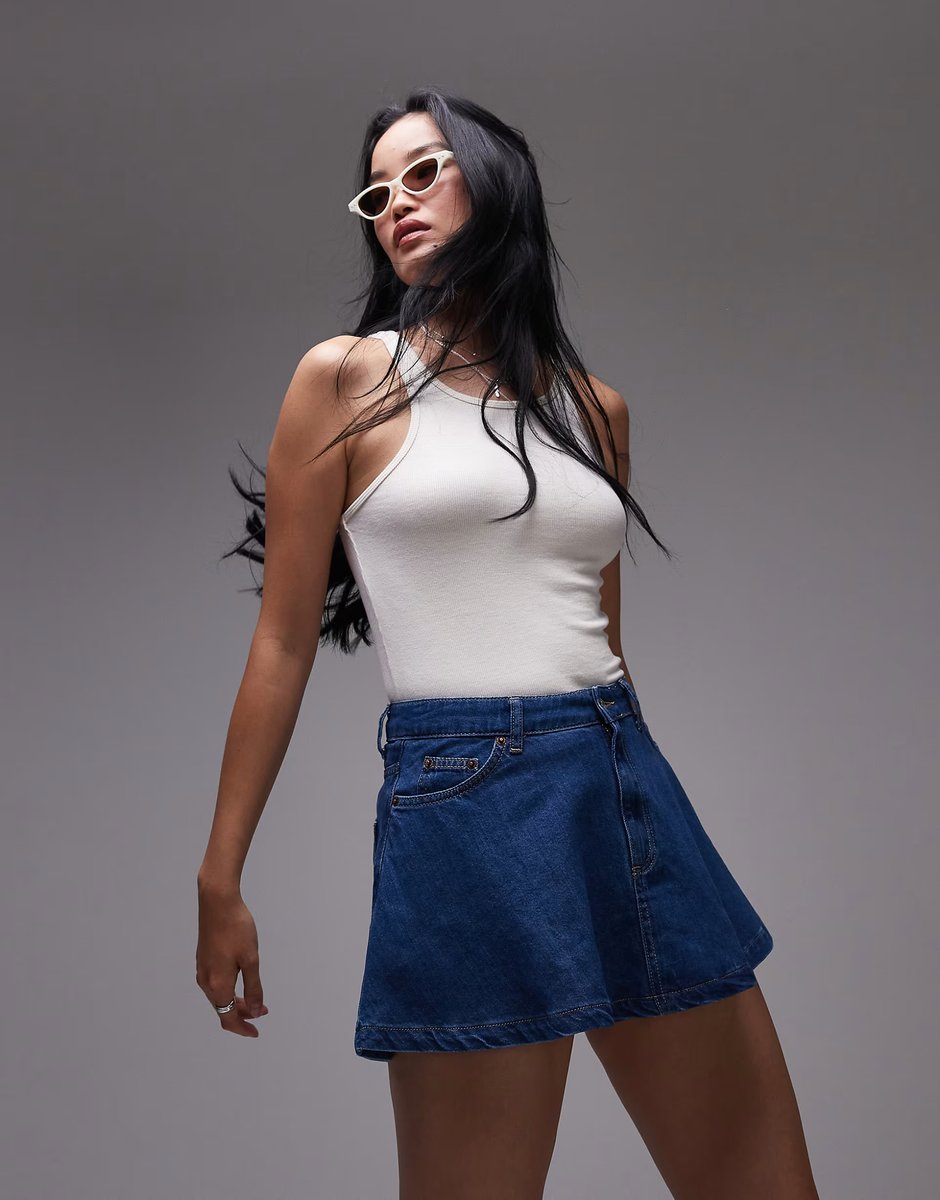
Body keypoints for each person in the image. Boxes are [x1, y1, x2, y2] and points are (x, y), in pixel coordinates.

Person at [196, 87, 820, 1199]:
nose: (397, 203)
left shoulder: (596, 410)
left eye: (423, 171)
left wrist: (626, 785)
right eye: (377, 193)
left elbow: (601, 639)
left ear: (496, 180)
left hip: (621, 783)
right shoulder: (346, 380)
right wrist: (220, 876)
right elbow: (282, 645)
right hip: (465, 800)